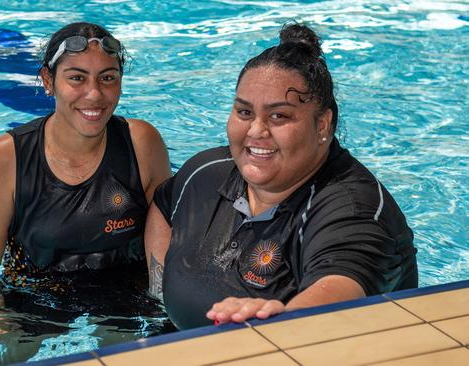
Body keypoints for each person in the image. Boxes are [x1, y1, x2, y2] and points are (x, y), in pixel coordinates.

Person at [144, 23, 418, 330]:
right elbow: (164, 205)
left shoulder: (352, 209)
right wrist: (160, 296)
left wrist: (284, 322)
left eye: (279, 116)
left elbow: (340, 286)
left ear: (323, 125)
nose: (256, 131)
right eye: (245, 112)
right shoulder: (206, 172)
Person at [0, 22, 173, 362]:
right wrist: (2, 329)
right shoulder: (5, 159)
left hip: (124, 288)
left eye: (108, 78)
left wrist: (164, 302)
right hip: (36, 293)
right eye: (77, 77)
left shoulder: (142, 143)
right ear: (49, 81)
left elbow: (166, 240)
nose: (94, 94)